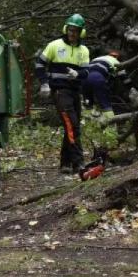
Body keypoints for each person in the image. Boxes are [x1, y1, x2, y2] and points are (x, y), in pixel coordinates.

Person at [35, 14, 90, 174]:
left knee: (71, 126)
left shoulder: (84, 50)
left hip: (74, 92)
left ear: (81, 32)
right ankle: (78, 163)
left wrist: (78, 74)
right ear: (66, 29)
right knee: (72, 125)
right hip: (59, 91)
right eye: (71, 30)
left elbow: (87, 71)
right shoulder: (54, 45)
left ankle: (65, 163)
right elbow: (39, 64)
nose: (72, 33)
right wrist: (44, 83)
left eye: (76, 31)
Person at [84, 50, 125, 122]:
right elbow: (123, 77)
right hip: (98, 78)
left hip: (85, 79)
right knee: (105, 104)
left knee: (88, 104)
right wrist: (130, 86)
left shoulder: (97, 58)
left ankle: (88, 124)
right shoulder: (117, 62)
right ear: (118, 57)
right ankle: (111, 124)